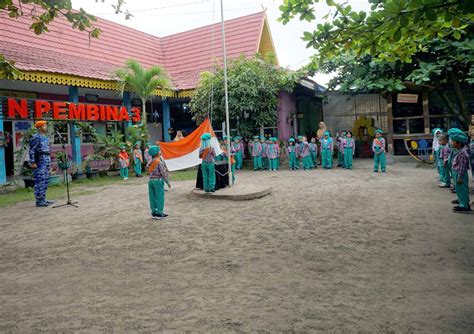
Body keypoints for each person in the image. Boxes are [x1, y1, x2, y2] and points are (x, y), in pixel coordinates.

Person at [29, 120, 53, 207]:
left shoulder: (45, 137)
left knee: (45, 180)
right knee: (40, 181)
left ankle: (43, 199)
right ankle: (39, 201)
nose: (46, 127)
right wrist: (33, 162)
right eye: (44, 125)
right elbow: (32, 151)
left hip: (46, 160)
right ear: (39, 127)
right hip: (39, 161)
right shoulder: (35, 137)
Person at [450, 131, 471, 212]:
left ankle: (464, 206)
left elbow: (462, 167)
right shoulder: (459, 150)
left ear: (459, 144)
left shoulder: (462, 153)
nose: (451, 143)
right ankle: (462, 202)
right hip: (457, 173)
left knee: (462, 189)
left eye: (453, 141)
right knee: (459, 189)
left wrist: (459, 177)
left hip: (460, 174)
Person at [147, 145, 171, 220]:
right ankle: (160, 213)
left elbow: (147, 170)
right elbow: (163, 173)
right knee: (160, 197)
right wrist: (167, 182)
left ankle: (154, 212)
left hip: (150, 181)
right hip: (158, 181)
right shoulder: (159, 162)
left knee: (152, 197)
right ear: (157, 152)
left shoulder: (149, 162)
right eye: (159, 150)